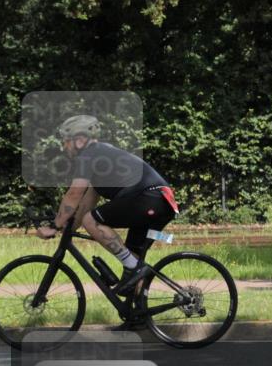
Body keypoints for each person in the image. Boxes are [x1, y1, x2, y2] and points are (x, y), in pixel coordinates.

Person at [35, 115, 179, 294]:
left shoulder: (89, 154)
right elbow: (86, 204)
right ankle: (140, 317)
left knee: (96, 225)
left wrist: (54, 226)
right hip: (160, 202)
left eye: (66, 141)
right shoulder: (101, 157)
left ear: (79, 140)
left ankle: (135, 269)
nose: (64, 147)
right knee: (133, 266)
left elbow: (74, 194)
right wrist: (69, 229)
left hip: (148, 199)